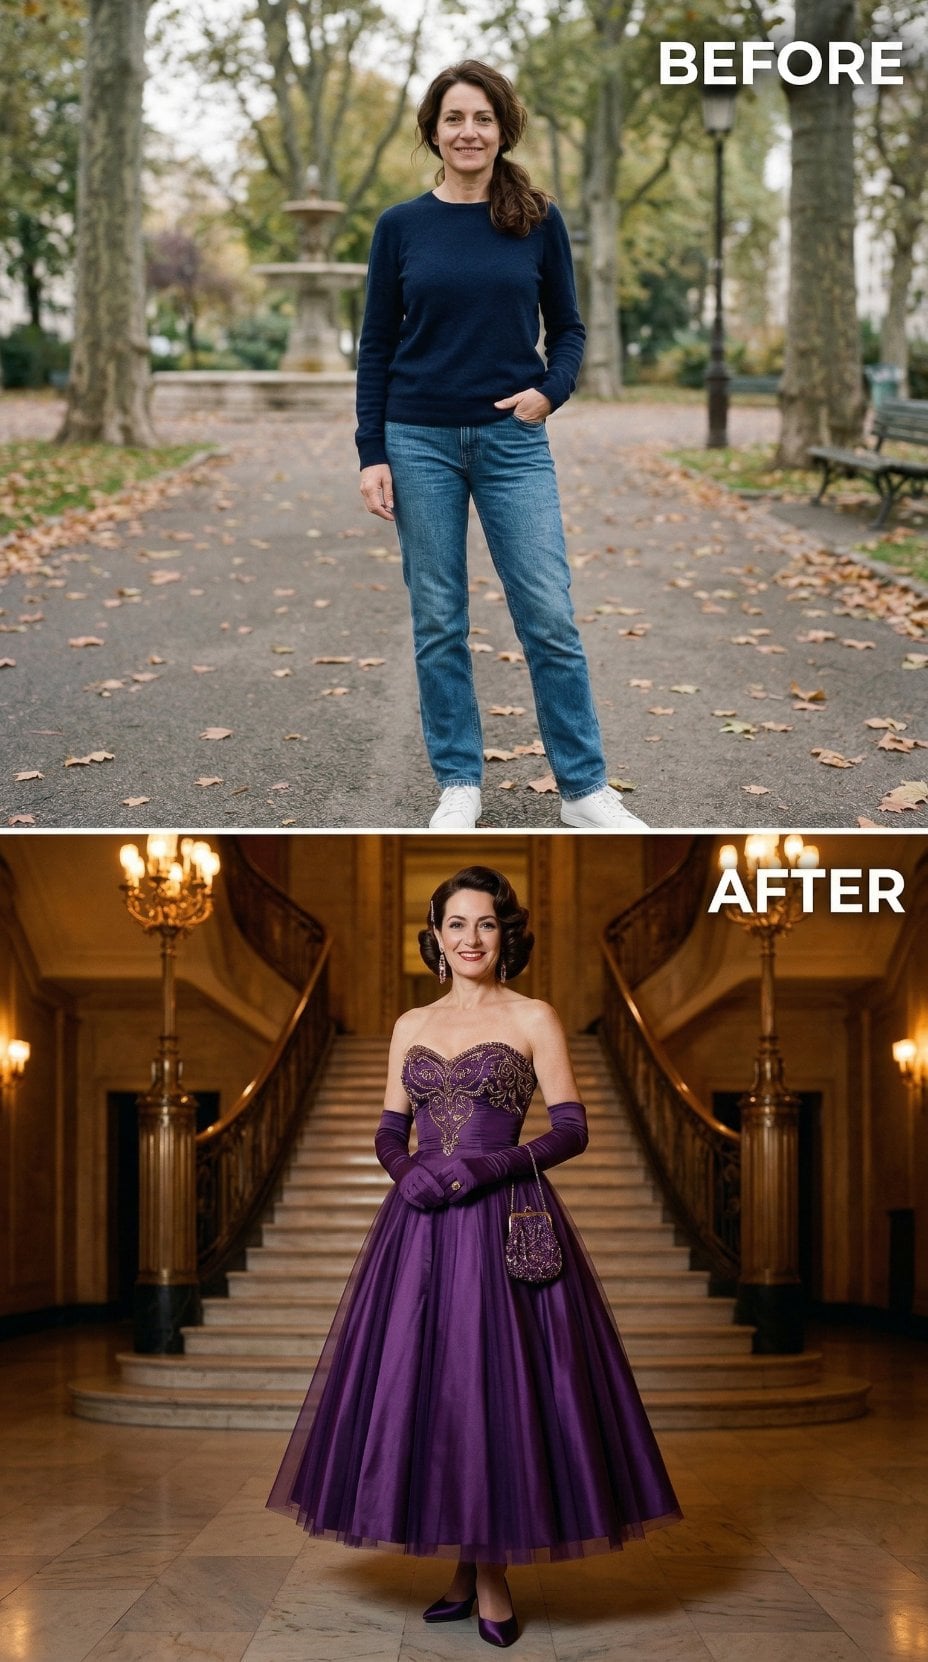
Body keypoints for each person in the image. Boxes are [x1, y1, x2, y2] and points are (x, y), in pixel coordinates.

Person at [266, 865, 682, 1649]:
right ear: (435, 934)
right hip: (419, 1224)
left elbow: (571, 1129)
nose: (470, 939)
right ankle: (462, 1567)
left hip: (503, 1217)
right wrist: (410, 1172)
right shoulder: (407, 1025)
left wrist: (483, 1168)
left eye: (485, 924)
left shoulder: (534, 1016)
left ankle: (490, 1577)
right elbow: (389, 1130)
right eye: (455, 924)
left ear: (506, 934)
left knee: (497, 1390)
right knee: (434, 1392)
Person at [355, 60, 647, 831]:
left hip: (512, 443)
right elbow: (376, 344)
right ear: (433, 130)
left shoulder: (538, 219)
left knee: (548, 614)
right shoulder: (400, 227)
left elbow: (572, 328)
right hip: (417, 441)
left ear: (502, 128)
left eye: (481, 118)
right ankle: (459, 783)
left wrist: (549, 393)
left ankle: (584, 791)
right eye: (454, 118)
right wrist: (371, 453)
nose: (468, 132)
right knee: (440, 618)